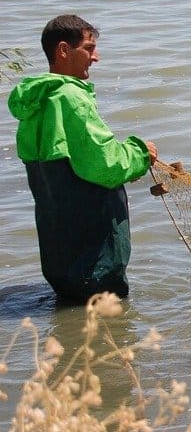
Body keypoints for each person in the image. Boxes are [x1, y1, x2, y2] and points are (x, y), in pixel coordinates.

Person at [6, 15, 157, 302]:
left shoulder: (36, 101)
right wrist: (141, 152)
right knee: (108, 330)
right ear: (63, 50)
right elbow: (106, 165)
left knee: (72, 320)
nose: (96, 57)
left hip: (59, 261)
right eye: (89, 48)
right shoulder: (70, 97)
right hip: (93, 260)